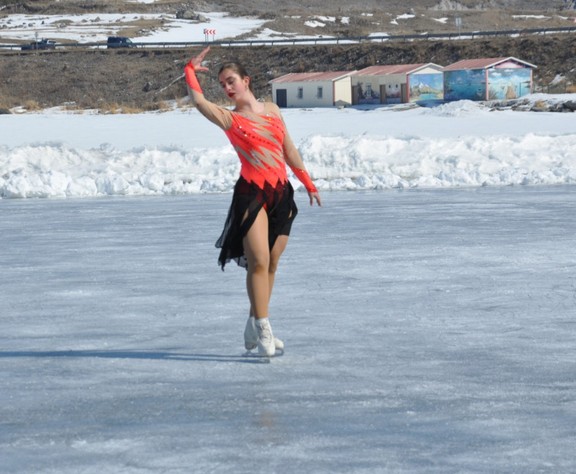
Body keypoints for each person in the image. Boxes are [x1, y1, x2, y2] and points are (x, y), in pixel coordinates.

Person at [184, 46, 321, 357]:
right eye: (222, 84)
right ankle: (264, 327)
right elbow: (198, 101)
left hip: (281, 192)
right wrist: (190, 71)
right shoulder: (230, 119)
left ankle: (253, 319)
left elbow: (288, 149)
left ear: (246, 80)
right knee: (258, 261)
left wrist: (308, 183)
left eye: (231, 81)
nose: (227, 88)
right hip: (252, 194)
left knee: (272, 262)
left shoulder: (272, 110)